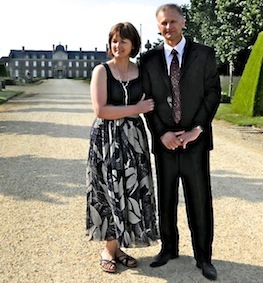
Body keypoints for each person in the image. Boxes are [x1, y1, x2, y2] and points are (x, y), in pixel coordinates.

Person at [140, 4, 221, 281]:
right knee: (166, 198)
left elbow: (213, 94)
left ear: (183, 22)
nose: (168, 27)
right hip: (165, 143)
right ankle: (169, 249)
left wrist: (197, 129)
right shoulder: (148, 60)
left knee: (199, 200)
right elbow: (147, 102)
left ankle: (203, 257)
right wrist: (161, 133)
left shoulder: (205, 54)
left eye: (173, 21)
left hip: (195, 142)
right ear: (158, 26)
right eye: (163, 23)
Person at [86, 22, 158, 274]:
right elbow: (101, 110)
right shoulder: (101, 71)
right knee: (108, 189)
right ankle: (108, 248)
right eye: (114, 40)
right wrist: (135, 109)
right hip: (106, 139)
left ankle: (118, 248)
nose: (117, 45)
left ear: (133, 45)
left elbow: (155, 101)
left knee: (130, 191)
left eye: (123, 41)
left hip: (134, 139)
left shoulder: (141, 71)